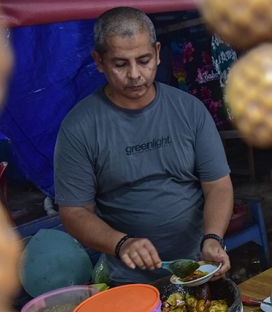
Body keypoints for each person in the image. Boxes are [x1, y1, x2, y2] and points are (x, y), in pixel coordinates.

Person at [54, 7, 233, 285]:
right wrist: (121, 242)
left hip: (199, 268)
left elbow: (218, 185)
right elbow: (74, 213)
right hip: (129, 281)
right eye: (121, 64)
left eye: (144, 60)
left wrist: (212, 238)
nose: (135, 74)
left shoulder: (190, 111)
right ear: (99, 61)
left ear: (158, 53)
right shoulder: (79, 127)